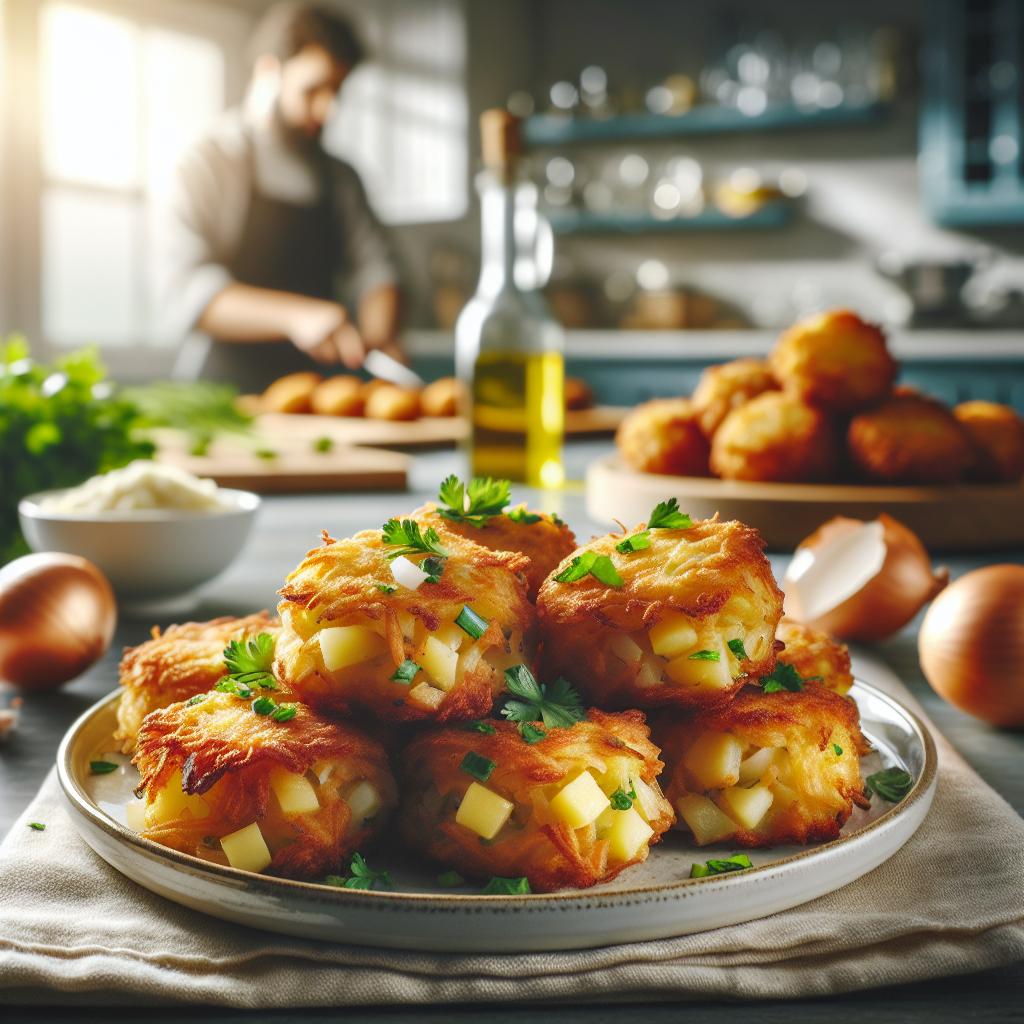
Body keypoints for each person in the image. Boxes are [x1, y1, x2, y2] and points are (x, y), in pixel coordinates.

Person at [158, 3, 402, 391]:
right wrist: (297, 317)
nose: (328, 109)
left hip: (316, 392)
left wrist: (379, 338)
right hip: (223, 395)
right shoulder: (210, 159)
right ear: (268, 71)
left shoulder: (341, 178)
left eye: (337, 91)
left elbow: (377, 269)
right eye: (313, 89)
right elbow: (186, 290)